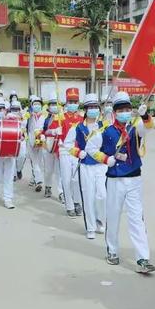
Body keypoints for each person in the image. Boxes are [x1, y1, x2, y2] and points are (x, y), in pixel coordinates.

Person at [86, 91, 155, 274]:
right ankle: (112, 250)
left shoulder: (135, 126)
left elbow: (148, 127)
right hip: (115, 179)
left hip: (134, 178)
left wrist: (145, 114)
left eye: (128, 109)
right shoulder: (104, 131)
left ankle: (143, 258)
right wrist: (105, 159)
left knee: (136, 219)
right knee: (114, 216)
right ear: (115, 112)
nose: (125, 112)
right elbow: (90, 148)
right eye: (121, 109)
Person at [70, 93, 107, 239]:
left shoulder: (103, 126)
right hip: (86, 166)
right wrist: (78, 152)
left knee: (102, 195)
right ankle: (91, 227)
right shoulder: (78, 128)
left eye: (95, 107)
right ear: (85, 109)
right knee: (88, 195)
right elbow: (68, 145)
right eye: (90, 107)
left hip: (101, 165)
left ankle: (100, 219)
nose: (93, 110)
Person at [57, 88, 83, 218]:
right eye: (70, 101)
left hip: (77, 152)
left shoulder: (82, 119)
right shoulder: (60, 117)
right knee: (67, 179)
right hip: (65, 152)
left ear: (78, 103)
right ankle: (70, 205)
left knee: (77, 179)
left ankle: (78, 201)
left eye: (75, 101)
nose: (73, 103)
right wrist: (55, 131)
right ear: (66, 103)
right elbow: (47, 132)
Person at [42, 94, 64, 199]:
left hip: (60, 147)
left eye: (56, 104)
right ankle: (48, 186)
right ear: (49, 106)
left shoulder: (63, 117)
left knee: (59, 171)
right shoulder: (46, 119)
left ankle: (61, 192)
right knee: (48, 170)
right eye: (52, 104)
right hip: (49, 146)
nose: (54, 106)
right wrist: (52, 131)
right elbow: (44, 131)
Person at [27, 95, 45, 192]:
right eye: (35, 104)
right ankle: (39, 181)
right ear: (31, 105)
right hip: (31, 140)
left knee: (39, 162)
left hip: (41, 141)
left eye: (38, 104)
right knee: (34, 161)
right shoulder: (28, 116)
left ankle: (34, 179)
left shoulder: (44, 116)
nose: (37, 106)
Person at [10, 100, 27, 182]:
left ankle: (19, 170)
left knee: (22, 156)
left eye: (17, 109)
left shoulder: (23, 117)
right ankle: (13, 174)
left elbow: (24, 128)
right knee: (12, 157)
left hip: (21, 139)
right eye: (13, 109)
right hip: (11, 140)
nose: (15, 111)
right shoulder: (8, 117)